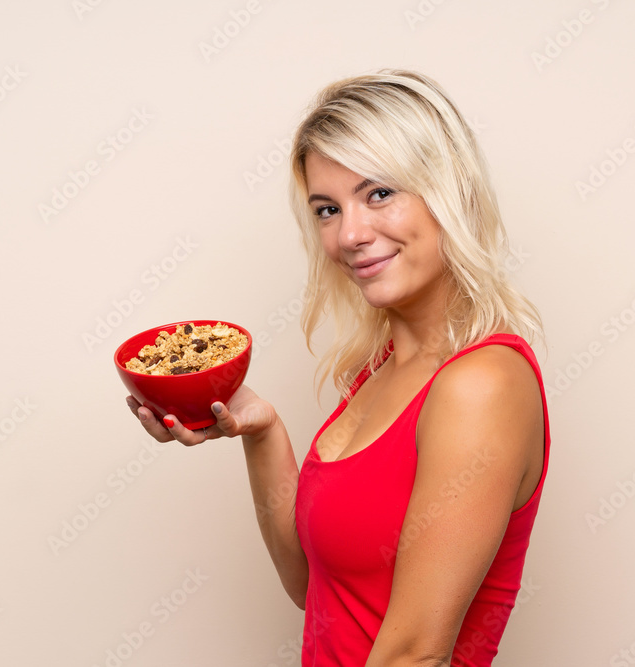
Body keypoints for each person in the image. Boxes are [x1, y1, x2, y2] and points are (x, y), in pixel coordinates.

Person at [125, 69, 551, 666]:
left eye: (379, 194)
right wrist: (262, 430)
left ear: (449, 190)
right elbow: (313, 589)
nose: (350, 234)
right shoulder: (380, 372)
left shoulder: (480, 384)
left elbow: (412, 655)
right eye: (327, 209)